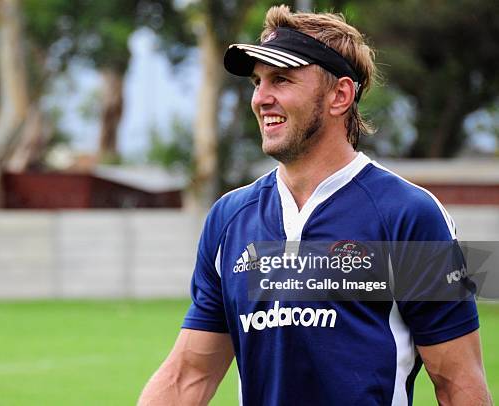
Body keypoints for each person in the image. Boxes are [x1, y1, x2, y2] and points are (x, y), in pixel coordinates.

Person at [139, 5, 491, 405]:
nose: (261, 99)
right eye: (258, 82)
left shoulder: (408, 215)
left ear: (340, 95)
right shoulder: (229, 218)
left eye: (281, 80)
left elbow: (457, 382)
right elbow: (188, 376)